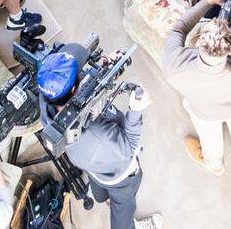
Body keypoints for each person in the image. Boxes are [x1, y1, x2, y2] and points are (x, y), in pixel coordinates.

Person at [36, 45, 161, 229]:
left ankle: (104, 197)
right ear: (72, 91)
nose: (82, 72)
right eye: (79, 73)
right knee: (123, 208)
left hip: (94, 167)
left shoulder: (46, 99)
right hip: (119, 177)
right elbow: (129, 147)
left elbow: (80, 86)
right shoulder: (98, 136)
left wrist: (102, 65)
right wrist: (135, 111)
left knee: (99, 186)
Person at [162, 0, 231, 175]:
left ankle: (216, 165)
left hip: (204, 112)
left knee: (209, 139)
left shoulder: (174, 68)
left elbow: (178, 29)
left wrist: (208, 1)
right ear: (230, 50)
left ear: (198, 43)